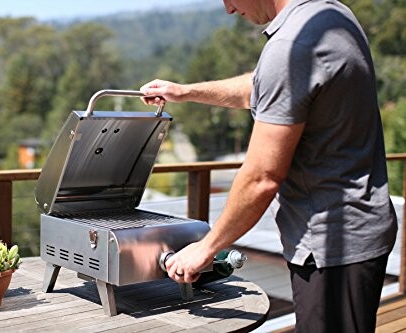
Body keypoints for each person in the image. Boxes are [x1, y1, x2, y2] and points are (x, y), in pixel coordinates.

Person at [140, 0, 398, 332]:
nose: (229, 10)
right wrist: (187, 92)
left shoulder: (292, 45)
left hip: (331, 248)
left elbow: (261, 177)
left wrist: (206, 248)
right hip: (358, 233)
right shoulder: (329, 15)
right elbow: (266, 86)